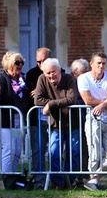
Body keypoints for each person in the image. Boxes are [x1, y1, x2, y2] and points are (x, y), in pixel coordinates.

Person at [34, 57, 79, 189]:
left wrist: (51, 104)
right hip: (55, 124)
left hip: (73, 123)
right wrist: (57, 104)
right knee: (54, 154)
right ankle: (57, 182)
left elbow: (71, 98)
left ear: (59, 70)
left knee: (74, 153)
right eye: (48, 73)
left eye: (53, 72)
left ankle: (69, 181)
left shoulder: (69, 79)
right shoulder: (42, 80)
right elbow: (37, 100)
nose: (51, 75)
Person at [77, 52, 107, 191]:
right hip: (92, 120)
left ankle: (94, 180)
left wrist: (101, 105)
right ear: (92, 64)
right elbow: (87, 100)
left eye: (103, 63)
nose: (101, 66)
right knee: (94, 153)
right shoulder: (83, 78)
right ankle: (93, 182)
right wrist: (106, 102)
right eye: (98, 63)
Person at [0, 51, 33, 189]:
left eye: (22, 62)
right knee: (8, 149)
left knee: (16, 150)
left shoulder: (23, 80)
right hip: (4, 122)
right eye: (17, 62)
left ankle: (13, 179)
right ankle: (6, 179)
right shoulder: (1, 80)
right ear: (9, 64)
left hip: (18, 121)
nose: (20, 65)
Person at [26, 47, 51, 189]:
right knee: (38, 150)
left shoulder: (58, 72)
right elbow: (32, 97)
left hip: (55, 119)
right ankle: (39, 181)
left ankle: (57, 180)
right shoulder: (31, 74)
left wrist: (42, 93)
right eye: (38, 61)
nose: (41, 64)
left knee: (56, 151)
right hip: (37, 118)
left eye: (44, 60)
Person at [70, 58, 91, 188]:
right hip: (74, 122)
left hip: (87, 120)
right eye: (83, 72)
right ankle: (74, 177)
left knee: (87, 149)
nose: (86, 74)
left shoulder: (89, 82)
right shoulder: (71, 83)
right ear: (75, 73)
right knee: (74, 150)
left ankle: (84, 177)